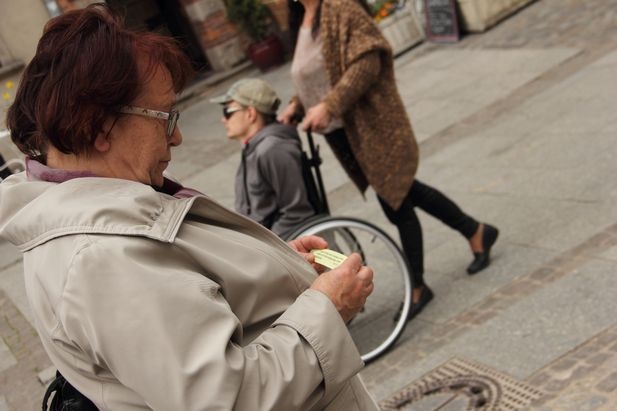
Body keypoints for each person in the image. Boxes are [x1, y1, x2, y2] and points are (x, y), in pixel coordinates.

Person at [0, 4, 378, 410]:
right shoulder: (101, 260)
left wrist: (276, 265)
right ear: (98, 125)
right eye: (164, 116)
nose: (177, 136)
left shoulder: (106, 212)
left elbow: (193, 288)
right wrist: (328, 308)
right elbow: (231, 399)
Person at [278, 0, 499, 320]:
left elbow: (369, 59)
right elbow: (318, 72)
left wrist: (329, 105)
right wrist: (297, 105)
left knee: (397, 202)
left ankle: (420, 287)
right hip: (348, 135)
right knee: (403, 191)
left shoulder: (340, 8)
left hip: (374, 128)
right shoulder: (303, 18)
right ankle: (476, 232)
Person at [211, 78, 316, 239]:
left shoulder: (272, 149)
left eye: (228, 112)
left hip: (273, 243)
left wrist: (262, 244)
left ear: (251, 114)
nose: (223, 119)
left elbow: (296, 213)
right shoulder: (253, 147)